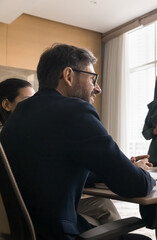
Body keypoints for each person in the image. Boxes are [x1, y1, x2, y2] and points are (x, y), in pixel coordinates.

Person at [0, 43, 156, 240]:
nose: (97, 88)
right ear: (68, 75)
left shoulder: (18, 116)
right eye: (92, 79)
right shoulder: (75, 111)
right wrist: (142, 171)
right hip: (57, 233)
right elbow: (136, 185)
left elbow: (50, 168)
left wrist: (117, 168)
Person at [0, 78, 121, 227]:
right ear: (6, 104)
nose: (33, 105)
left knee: (101, 205)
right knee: (102, 208)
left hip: (17, 219)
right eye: (27, 100)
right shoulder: (21, 138)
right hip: (41, 216)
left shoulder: (10, 136)